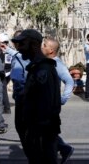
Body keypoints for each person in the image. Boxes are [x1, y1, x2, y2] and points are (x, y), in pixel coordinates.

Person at [11, 29, 61, 164]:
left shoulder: (42, 69)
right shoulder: (36, 67)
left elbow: (45, 104)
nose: (19, 48)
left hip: (41, 132)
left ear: (33, 45)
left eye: (22, 44)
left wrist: (34, 132)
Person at [41, 36, 74, 163]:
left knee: (48, 133)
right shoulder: (46, 62)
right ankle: (64, 149)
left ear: (50, 50)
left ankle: (61, 150)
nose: (41, 47)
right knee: (48, 133)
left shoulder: (56, 63)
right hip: (45, 103)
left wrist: (63, 99)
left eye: (44, 45)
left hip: (50, 105)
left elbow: (69, 81)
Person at [0, 30, 30, 156]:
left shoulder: (24, 55)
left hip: (24, 94)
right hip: (20, 93)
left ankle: (30, 148)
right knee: (21, 124)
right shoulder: (18, 53)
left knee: (24, 124)